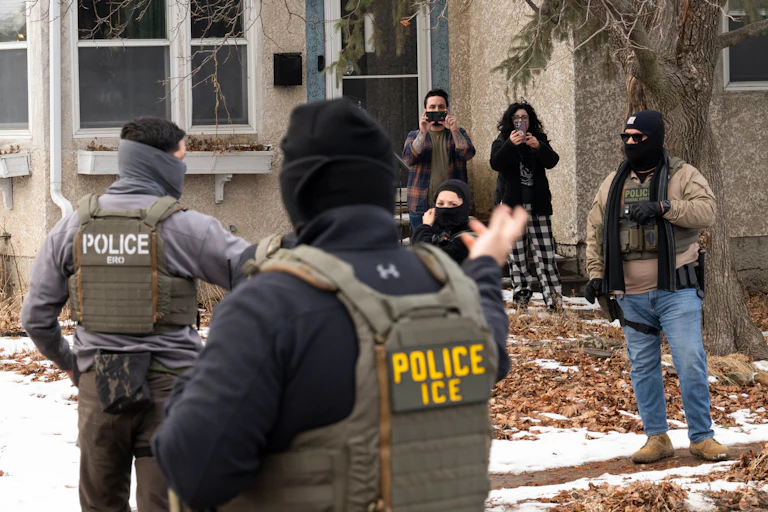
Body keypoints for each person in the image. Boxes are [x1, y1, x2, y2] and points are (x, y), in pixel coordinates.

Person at [151, 99, 528, 511]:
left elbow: (194, 471)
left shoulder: (272, 305)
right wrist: (486, 269)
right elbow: (492, 352)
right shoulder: (448, 285)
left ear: (298, 191)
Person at [20, 117, 249, 512]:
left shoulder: (72, 227)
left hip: (100, 390)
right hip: (173, 391)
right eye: (181, 158)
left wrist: (75, 365)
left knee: (100, 505)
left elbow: (36, 317)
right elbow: (256, 273)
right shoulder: (186, 228)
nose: (184, 168)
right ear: (159, 163)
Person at [584, 110, 727, 464]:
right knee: (643, 367)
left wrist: (664, 207)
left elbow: (706, 210)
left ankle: (702, 437)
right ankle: (657, 437)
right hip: (630, 295)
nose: (631, 143)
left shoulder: (682, 174)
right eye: (626, 137)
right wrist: (595, 275)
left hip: (676, 290)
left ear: (656, 138)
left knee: (690, 360)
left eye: (639, 138)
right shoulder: (612, 183)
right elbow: (596, 233)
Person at [490, 102, 562, 310]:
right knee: (518, 256)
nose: (520, 122)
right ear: (510, 121)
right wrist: (510, 145)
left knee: (546, 255)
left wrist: (539, 147)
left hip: (538, 206)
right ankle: (521, 297)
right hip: (514, 209)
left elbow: (553, 161)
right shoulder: (502, 141)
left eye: (524, 118)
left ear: (530, 121)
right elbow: (496, 163)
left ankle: (553, 300)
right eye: (516, 118)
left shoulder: (538, 140)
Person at [402, 88, 475, 233]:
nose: (437, 110)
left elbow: (468, 153)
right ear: (425, 111)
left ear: (447, 110)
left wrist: (454, 130)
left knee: (452, 248)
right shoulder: (414, 135)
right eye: (432, 107)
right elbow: (408, 159)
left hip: (453, 205)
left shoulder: (457, 133)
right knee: (423, 248)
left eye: (441, 107)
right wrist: (423, 132)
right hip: (421, 203)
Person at [412, 178, 473, 264]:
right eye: (440, 204)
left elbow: (431, 260)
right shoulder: (434, 229)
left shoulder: (469, 237)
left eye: (453, 204)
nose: (445, 209)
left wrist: (425, 227)